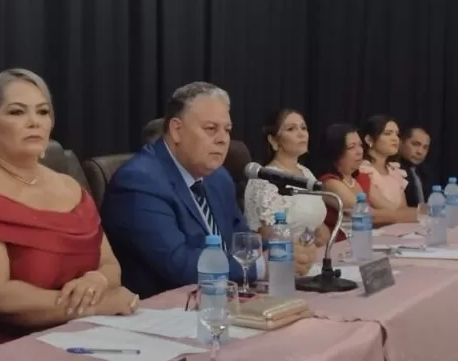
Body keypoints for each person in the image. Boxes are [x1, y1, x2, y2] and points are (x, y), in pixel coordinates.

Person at [0, 69, 139, 343]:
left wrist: (97, 281)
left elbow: (110, 265)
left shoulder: (71, 187)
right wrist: (94, 306)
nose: (34, 122)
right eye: (17, 112)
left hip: (94, 337)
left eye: (43, 112)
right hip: (15, 346)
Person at [100, 82, 316, 299]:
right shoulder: (139, 181)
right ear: (177, 130)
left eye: (227, 130)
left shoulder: (218, 178)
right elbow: (178, 264)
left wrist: (281, 251)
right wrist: (261, 265)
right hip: (164, 307)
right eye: (211, 129)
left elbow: (240, 240)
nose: (223, 139)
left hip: (220, 299)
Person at [243, 109, 329, 247]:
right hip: (283, 256)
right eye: (291, 129)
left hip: (314, 252)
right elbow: (266, 237)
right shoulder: (264, 179)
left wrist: (322, 233)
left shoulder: (306, 172)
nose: (301, 134)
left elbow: (317, 222)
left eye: (303, 128)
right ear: (273, 140)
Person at [317, 123, 374, 241]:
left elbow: (390, 208)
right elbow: (364, 214)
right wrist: (407, 215)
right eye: (351, 147)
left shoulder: (363, 178)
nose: (359, 151)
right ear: (335, 152)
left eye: (360, 145)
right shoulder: (330, 182)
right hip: (340, 245)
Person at [359, 115, 419, 223]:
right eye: (388, 133)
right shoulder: (363, 170)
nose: (395, 139)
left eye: (397, 134)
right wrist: (424, 211)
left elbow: (403, 209)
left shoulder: (394, 171)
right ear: (369, 139)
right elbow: (390, 211)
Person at [398, 126, 433, 207]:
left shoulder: (427, 172)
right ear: (401, 143)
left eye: (425, 147)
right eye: (416, 144)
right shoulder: (392, 169)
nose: (420, 152)